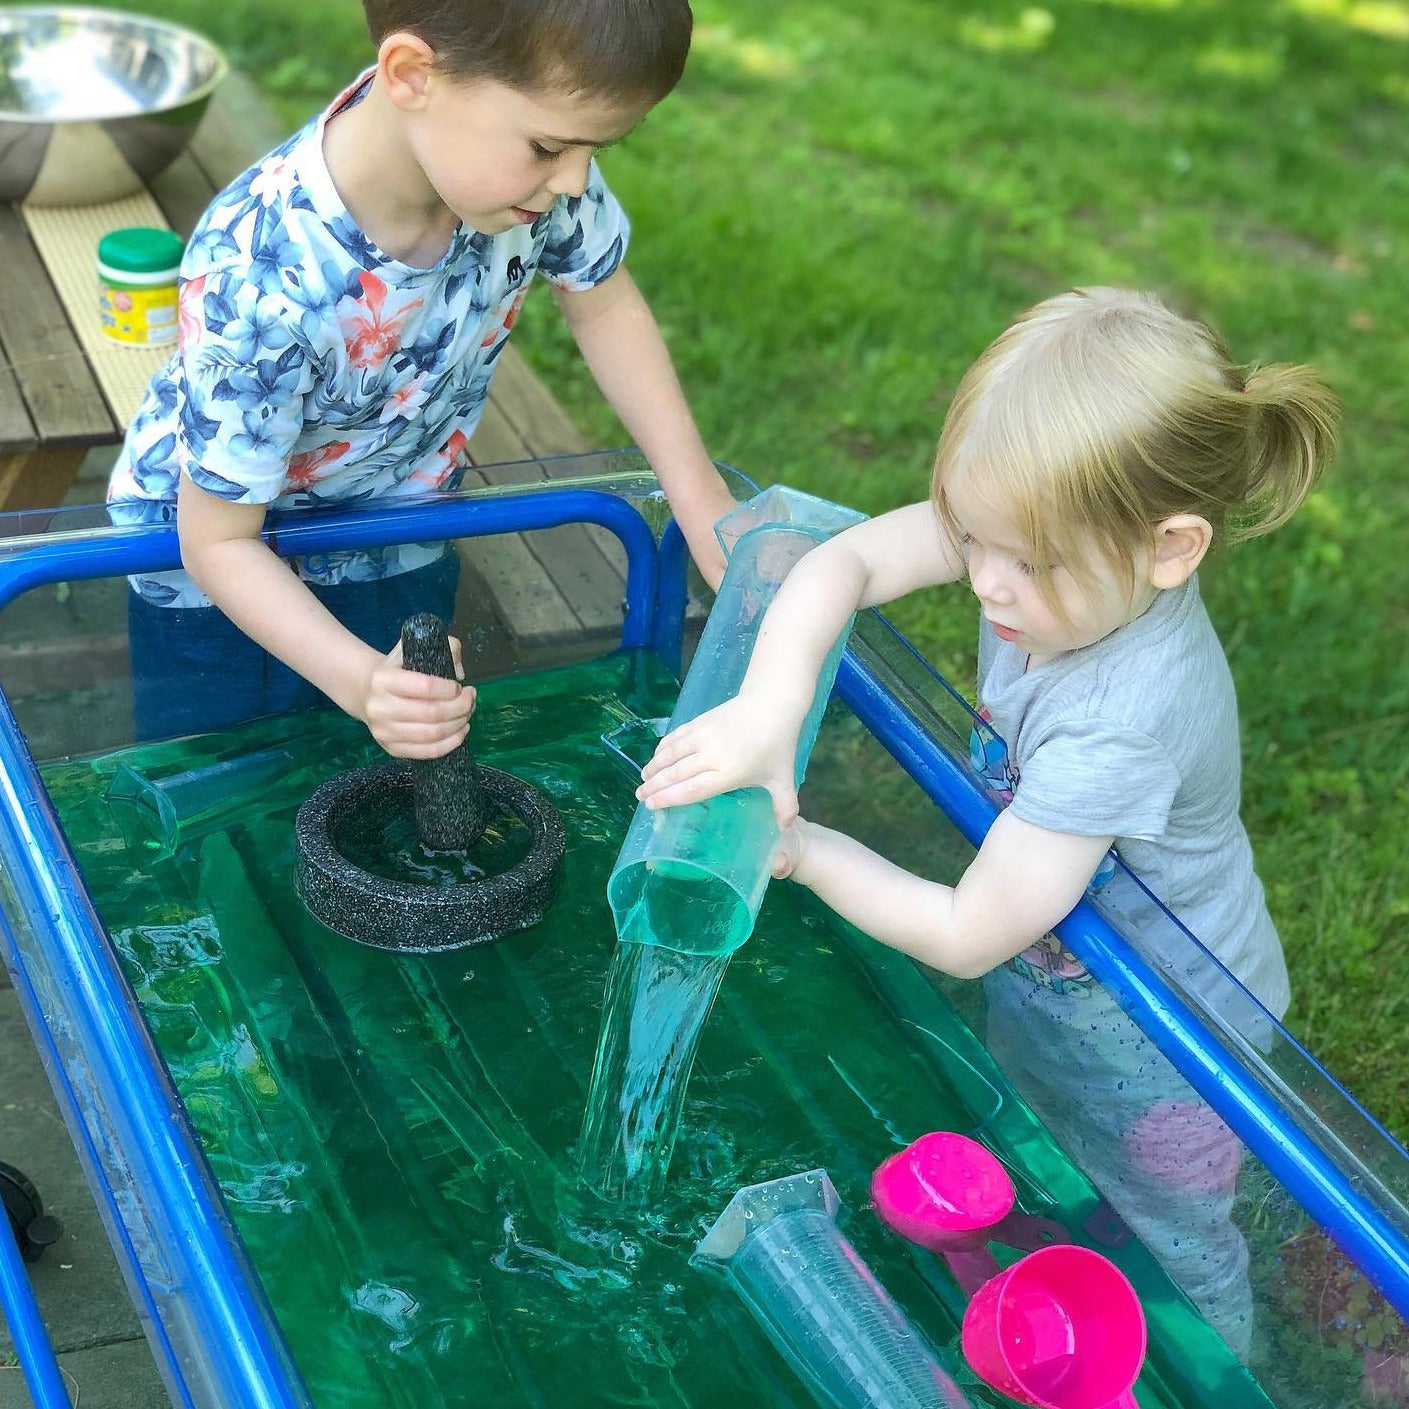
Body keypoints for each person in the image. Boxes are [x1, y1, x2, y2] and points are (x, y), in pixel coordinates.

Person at [636, 286, 1341, 1356]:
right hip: (1060, 972)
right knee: (1047, 1142)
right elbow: (844, 560)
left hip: (1168, 1039)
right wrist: (770, 708)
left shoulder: (1126, 720)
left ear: (1171, 546)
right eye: (971, 538)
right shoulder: (1045, 545)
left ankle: (1207, 1372)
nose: (983, 584)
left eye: (1027, 562)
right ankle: (1052, 1293)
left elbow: (970, 929)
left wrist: (804, 848)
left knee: (1171, 1236)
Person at [108, 0, 736, 752]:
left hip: (400, 529)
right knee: (223, 795)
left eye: (596, 151)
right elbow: (216, 544)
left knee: (390, 780)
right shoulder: (261, 274)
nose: (573, 181)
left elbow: (600, 304)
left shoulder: (517, 181)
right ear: (410, 75)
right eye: (548, 147)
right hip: (214, 577)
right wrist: (360, 682)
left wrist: (698, 494)